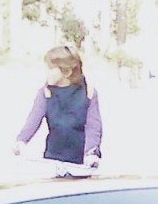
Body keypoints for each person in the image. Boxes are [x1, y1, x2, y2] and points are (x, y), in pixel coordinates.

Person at [13, 44, 102, 173]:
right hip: (52, 159)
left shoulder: (89, 92)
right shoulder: (45, 93)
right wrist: (21, 140)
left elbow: (93, 126)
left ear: (67, 71)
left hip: (81, 162)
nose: (46, 73)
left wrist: (91, 152)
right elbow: (33, 119)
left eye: (50, 69)